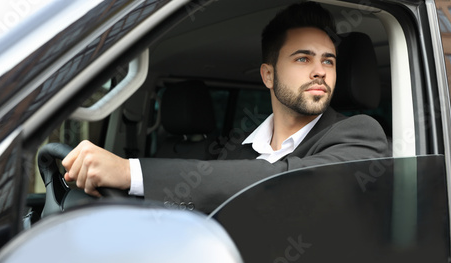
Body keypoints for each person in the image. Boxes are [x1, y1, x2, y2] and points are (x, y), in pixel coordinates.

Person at [62, 2, 389, 213]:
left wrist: (128, 171)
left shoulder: (359, 136)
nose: (320, 70)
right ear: (268, 74)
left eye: (328, 61)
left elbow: (284, 182)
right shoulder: (232, 151)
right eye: (303, 58)